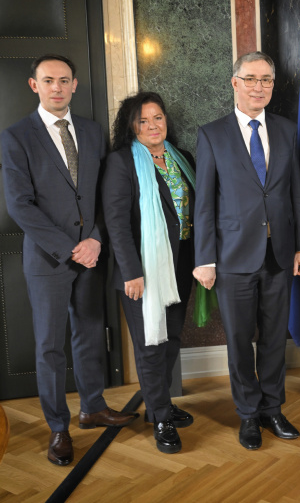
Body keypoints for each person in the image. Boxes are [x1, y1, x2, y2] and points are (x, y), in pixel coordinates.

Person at [0, 54, 137, 466]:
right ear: (34, 85)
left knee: (91, 332)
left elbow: (103, 196)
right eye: (48, 81)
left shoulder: (94, 133)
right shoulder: (16, 136)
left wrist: (95, 239)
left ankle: (92, 407)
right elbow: (20, 206)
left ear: (75, 84)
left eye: (64, 80)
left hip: (91, 255)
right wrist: (68, 247)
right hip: (49, 259)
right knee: (50, 346)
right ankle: (58, 427)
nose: (56, 87)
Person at [193, 51, 300, 450]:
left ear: (272, 86)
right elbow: (204, 202)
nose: (258, 87)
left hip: (280, 255)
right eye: (251, 79)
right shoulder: (212, 134)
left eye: (266, 80)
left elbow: (297, 193)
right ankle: (247, 414)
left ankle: (272, 409)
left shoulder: (286, 129)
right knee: (241, 341)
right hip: (232, 258)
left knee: (275, 339)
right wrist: (204, 259)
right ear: (235, 83)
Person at [101, 92, 196, 454]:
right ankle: (159, 417)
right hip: (142, 269)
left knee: (171, 338)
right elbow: (117, 223)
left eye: (158, 118)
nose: (153, 126)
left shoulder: (181, 158)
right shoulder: (122, 162)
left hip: (181, 263)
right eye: (143, 121)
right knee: (150, 343)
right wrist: (132, 271)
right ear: (131, 126)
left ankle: (162, 403)